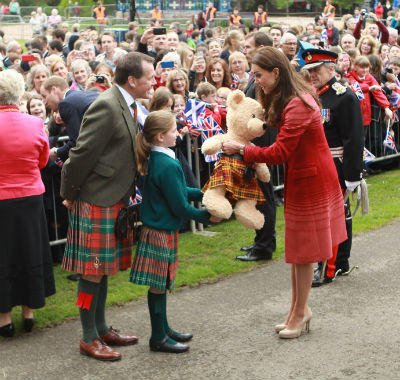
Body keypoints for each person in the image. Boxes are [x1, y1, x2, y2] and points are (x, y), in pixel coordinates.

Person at [222, 47, 347, 338]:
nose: (256, 81)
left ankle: (300, 311)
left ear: (276, 73)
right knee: (297, 251)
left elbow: (280, 152)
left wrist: (241, 149)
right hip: (305, 177)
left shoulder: (297, 103)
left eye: (259, 75)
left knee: (302, 253)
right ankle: (297, 310)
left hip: (312, 181)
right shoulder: (291, 98)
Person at [59, 52, 155, 361]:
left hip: (114, 198)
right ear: (132, 81)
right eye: (149, 78)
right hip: (95, 199)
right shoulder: (106, 105)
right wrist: (69, 193)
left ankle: (100, 327)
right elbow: (80, 154)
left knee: (103, 270)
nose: (153, 82)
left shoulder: (127, 103)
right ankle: (88, 336)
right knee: (91, 272)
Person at [129, 110, 219, 353]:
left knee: (162, 282)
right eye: (172, 130)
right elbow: (179, 205)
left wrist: (206, 193)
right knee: (158, 285)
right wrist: (206, 216)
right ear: (160, 136)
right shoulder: (165, 163)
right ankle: (158, 337)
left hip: (159, 229)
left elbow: (180, 191)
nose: (177, 132)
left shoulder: (161, 158)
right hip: (160, 231)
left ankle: (164, 328)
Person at [301, 48, 365, 285]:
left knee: (333, 216)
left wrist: (352, 175)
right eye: (309, 71)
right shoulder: (311, 94)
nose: (313, 75)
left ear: (331, 69)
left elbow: (354, 138)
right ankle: (339, 263)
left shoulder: (343, 96)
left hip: (336, 165)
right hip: (316, 166)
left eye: (316, 70)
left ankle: (329, 267)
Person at [0, 69, 55, 337]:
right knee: (30, 252)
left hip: (2, 199)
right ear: (18, 93)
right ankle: (29, 312)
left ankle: (4, 319)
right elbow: (43, 160)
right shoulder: (34, 124)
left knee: (4, 255)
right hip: (30, 196)